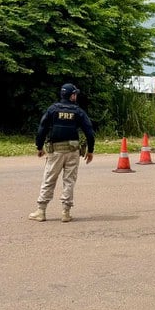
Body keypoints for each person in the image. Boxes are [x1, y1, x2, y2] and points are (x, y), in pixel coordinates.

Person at [28, 83, 95, 223]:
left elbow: (42, 129)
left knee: (49, 179)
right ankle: (66, 212)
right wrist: (90, 151)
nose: (76, 96)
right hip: (73, 151)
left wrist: (39, 147)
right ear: (71, 95)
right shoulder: (78, 111)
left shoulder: (53, 109)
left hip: (56, 151)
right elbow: (89, 132)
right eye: (75, 94)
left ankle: (41, 211)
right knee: (69, 181)